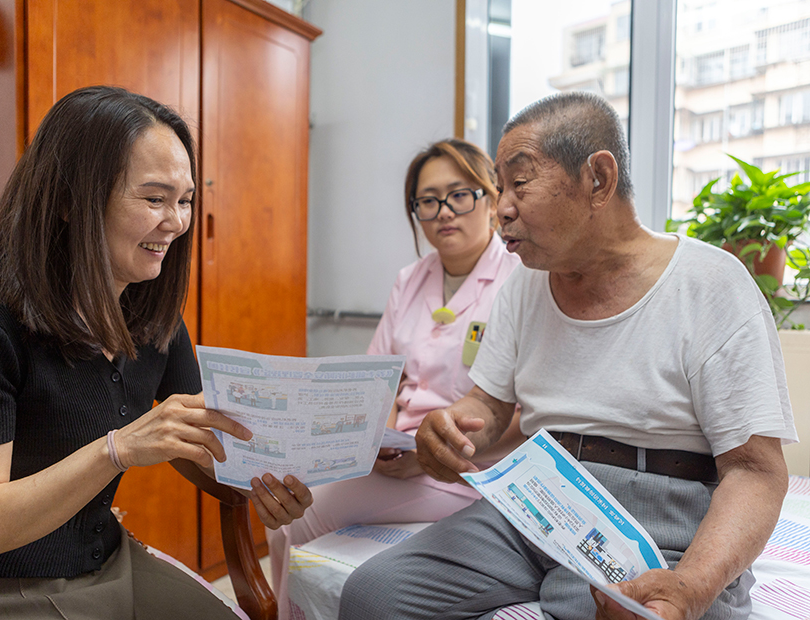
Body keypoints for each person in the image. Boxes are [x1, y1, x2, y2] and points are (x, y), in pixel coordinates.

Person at [338, 91, 796, 620]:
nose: (502, 206)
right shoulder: (523, 289)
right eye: (499, 187)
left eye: (520, 183)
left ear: (597, 180)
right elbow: (488, 405)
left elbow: (756, 472)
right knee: (373, 594)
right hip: (536, 499)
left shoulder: (709, 284)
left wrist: (692, 584)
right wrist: (451, 427)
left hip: (660, 515)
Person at [0, 85, 312, 620]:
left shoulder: (149, 314)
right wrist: (117, 449)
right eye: (154, 198)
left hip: (96, 561)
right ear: (70, 201)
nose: (177, 222)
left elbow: (193, 442)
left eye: (185, 199)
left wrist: (258, 482)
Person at [267, 139, 522, 619]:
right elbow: (379, 380)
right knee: (288, 490)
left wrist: (429, 457)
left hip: (472, 469)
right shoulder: (412, 278)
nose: (444, 212)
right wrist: (374, 441)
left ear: (490, 197)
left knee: (299, 514)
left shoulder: (519, 280)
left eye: (459, 194)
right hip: (399, 455)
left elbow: (525, 410)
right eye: (428, 201)